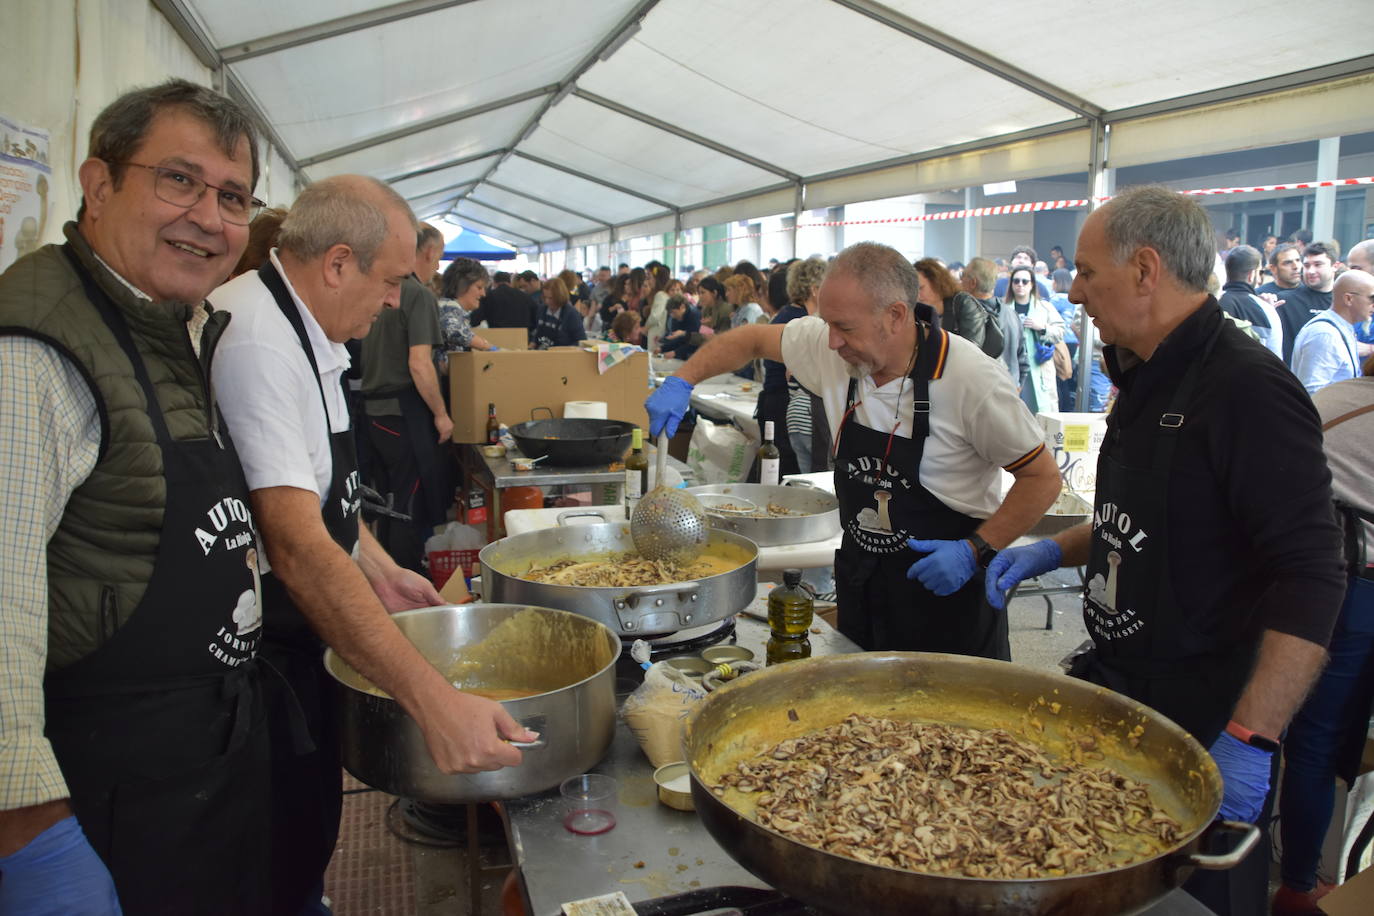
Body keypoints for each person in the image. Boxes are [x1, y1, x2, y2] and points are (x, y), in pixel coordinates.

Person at [986, 186, 1346, 916]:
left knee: (1193, 902)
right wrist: (1051, 554)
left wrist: (1250, 736)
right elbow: (1139, 519)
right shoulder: (1145, 371)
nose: (1075, 291)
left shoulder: (1248, 389)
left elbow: (1312, 573)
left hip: (1207, 712)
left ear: (1146, 269)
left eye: (1088, 273)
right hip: (1126, 688)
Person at [211, 177, 533, 914]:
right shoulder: (260, 339)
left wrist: (381, 568)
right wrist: (432, 699)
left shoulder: (313, 330)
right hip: (269, 647)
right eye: (390, 281)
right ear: (335, 264)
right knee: (278, 844)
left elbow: (319, 495)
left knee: (307, 824)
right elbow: (294, 545)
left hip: (306, 633)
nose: (394, 301)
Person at [0, 78, 272, 913]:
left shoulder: (175, 322)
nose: (209, 217)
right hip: (101, 794)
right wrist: (29, 830)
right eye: (178, 180)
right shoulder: (34, 353)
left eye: (232, 196)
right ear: (98, 182)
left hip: (195, 763)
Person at [645, 242, 1061, 659]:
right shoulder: (836, 353)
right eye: (827, 324)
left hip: (948, 602)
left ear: (895, 315)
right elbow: (752, 339)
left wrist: (976, 550)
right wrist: (683, 380)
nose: (831, 342)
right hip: (863, 586)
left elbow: (1042, 478)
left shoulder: (970, 378)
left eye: (845, 327)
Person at [1273, 355, 1374, 915]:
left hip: (1301, 579)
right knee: (1320, 737)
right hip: (1356, 588)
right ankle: (1301, 885)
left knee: (1308, 734)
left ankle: (1295, 876)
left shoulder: (1336, 395)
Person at [360, 224, 452, 573]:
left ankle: (386, 572)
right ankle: (407, 577)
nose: (439, 266)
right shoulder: (416, 294)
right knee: (407, 503)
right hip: (403, 412)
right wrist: (442, 414)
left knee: (386, 500)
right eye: (439, 257)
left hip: (373, 412)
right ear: (428, 252)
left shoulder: (383, 290)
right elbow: (420, 363)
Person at [755, 269, 807, 478]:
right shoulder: (799, 320)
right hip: (782, 402)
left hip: (773, 400)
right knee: (783, 467)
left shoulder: (783, 315)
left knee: (774, 466)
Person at [1291, 269, 1374, 394]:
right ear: (1349, 299)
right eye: (1371, 298)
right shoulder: (1325, 334)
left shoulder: (1338, 329)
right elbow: (1313, 393)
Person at [783, 257, 829, 472]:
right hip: (811, 420)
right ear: (815, 289)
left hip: (794, 416)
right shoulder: (813, 325)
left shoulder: (791, 319)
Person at [1004, 264, 1065, 413]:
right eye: (1016, 281)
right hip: (1011, 368)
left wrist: (1042, 327)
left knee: (1042, 414)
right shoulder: (1003, 308)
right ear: (1011, 284)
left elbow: (1060, 331)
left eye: (1025, 281)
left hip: (1039, 367)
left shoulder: (1044, 307)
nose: (1020, 285)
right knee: (1011, 413)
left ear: (1032, 284)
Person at [1218, 245, 1283, 360]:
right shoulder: (1267, 311)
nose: (1260, 279)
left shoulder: (1212, 303)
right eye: (1260, 272)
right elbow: (1275, 361)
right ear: (1251, 275)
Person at [1277, 241, 1338, 364]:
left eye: (1318, 264)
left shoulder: (1345, 301)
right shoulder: (1284, 301)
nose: (1310, 271)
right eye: (1306, 265)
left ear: (1335, 266)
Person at [913, 257, 988, 352]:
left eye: (921, 288)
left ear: (936, 282)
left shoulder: (963, 303)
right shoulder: (918, 313)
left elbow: (972, 350)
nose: (917, 295)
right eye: (913, 290)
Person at [436, 257, 497, 356]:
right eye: (479, 287)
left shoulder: (452, 309)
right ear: (462, 285)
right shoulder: (447, 309)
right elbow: (457, 332)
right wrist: (493, 349)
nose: (483, 294)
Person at [469, 270, 534, 333]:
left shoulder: (488, 296)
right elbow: (534, 319)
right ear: (510, 282)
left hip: (498, 338)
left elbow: (475, 320)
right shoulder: (525, 296)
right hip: (523, 338)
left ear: (494, 283)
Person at [532, 276, 586, 349]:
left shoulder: (571, 314)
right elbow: (537, 334)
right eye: (545, 297)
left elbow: (581, 341)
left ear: (560, 296)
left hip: (562, 356)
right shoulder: (542, 309)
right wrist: (532, 344)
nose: (547, 301)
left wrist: (562, 350)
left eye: (551, 298)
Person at [657, 294, 701, 360]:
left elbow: (695, 342)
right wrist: (662, 348)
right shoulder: (675, 318)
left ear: (682, 307)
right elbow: (677, 340)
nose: (672, 316)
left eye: (674, 312)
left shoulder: (694, 316)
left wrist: (675, 352)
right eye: (670, 313)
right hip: (683, 352)